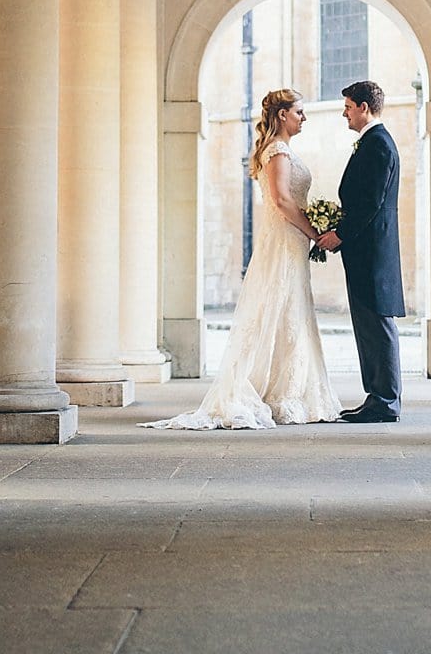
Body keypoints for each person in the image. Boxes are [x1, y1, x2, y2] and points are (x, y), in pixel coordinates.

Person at [141, 89, 342, 430]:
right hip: (284, 238)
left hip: (288, 239)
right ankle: (275, 392)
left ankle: (287, 389)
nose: (304, 117)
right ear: (282, 115)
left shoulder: (281, 149)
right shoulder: (277, 151)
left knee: (288, 309)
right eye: (299, 112)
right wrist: (314, 231)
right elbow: (280, 200)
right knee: (278, 305)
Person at [315, 80, 404, 423]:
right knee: (368, 324)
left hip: (372, 250)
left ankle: (385, 401)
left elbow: (370, 202)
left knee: (377, 324)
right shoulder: (372, 142)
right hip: (366, 249)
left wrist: (338, 233)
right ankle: (377, 396)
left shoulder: (378, 144)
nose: (345, 113)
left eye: (349, 107)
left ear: (364, 108)